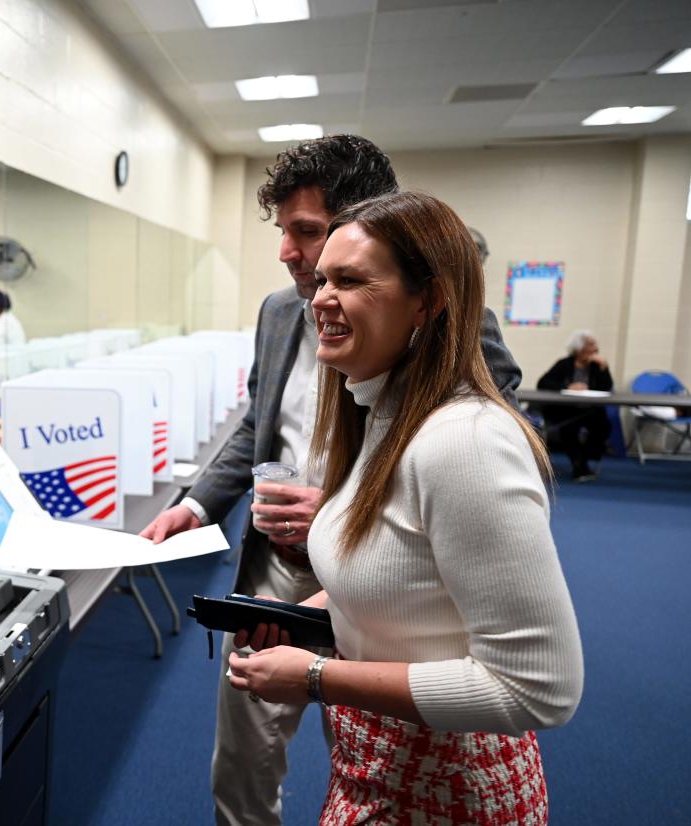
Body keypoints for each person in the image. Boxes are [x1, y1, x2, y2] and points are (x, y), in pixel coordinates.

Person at [139, 135, 522, 826]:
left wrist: (350, 514)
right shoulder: (278, 311)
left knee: (366, 755)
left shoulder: (441, 318)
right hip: (277, 575)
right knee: (242, 757)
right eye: (282, 231)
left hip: (386, 581)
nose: (286, 251)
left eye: (305, 232)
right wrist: (195, 505)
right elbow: (259, 423)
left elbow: (504, 446)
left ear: (365, 227)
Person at [227, 190, 583, 823]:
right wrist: (306, 614)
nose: (321, 299)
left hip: (448, 784)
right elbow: (407, 586)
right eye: (324, 279)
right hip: (377, 765)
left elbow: (540, 688)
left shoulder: (463, 442)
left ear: (430, 300)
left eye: (352, 280)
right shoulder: (382, 419)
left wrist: (314, 678)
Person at [536, 330, 614, 481]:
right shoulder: (564, 364)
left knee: (604, 426)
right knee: (569, 429)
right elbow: (543, 383)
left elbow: (606, 388)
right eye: (591, 344)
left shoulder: (597, 366)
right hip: (567, 409)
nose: (596, 348)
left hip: (590, 410)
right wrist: (568, 386)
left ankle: (583, 459)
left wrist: (604, 369)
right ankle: (579, 466)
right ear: (579, 348)